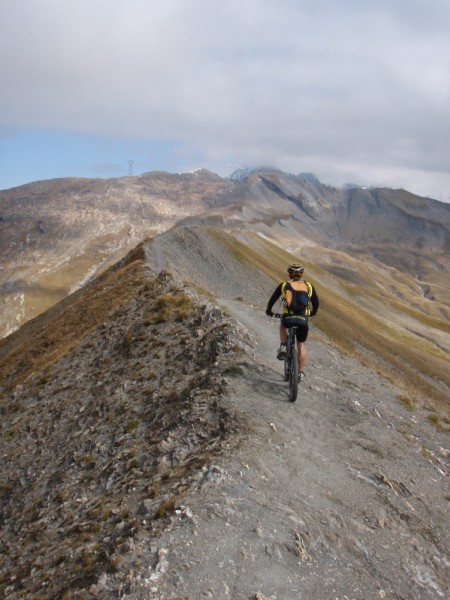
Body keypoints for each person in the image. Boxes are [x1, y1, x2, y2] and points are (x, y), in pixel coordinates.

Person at [266, 263, 319, 382]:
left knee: (282, 324)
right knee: (301, 344)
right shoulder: (309, 286)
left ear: (289, 273)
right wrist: (312, 313)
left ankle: (284, 345)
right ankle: (300, 372)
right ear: (301, 274)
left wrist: (269, 311)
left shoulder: (284, 285)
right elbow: (316, 303)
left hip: (288, 318)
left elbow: (273, 299)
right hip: (302, 319)